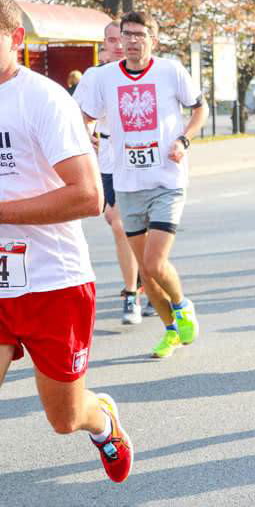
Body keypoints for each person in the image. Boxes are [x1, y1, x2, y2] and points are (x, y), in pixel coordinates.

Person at [0, 0, 133, 482]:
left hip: (52, 281)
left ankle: (101, 420)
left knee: (65, 418)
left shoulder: (42, 99)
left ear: (16, 38)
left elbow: (88, 197)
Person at [80, 10, 207, 359]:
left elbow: (200, 109)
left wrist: (183, 140)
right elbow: (85, 115)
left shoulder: (170, 71)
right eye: (127, 34)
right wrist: (87, 134)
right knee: (146, 276)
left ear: (154, 39)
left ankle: (181, 304)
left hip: (167, 179)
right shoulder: (105, 77)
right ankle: (171, 331)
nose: (132, 41)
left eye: (139, 35)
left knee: (154, 263)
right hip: (127, 183)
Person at [74, 20, 147, 325]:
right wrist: (86, 136)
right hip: (109, 156)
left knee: (140, 226)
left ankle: (146, 281)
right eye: (113, 40)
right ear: (104, 44)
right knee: (119, 225)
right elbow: (77, 116)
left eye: (124, 38)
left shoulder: (149, 71)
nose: (119, 45)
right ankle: (133, 291)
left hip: (145, 155)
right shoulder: (95, 76)